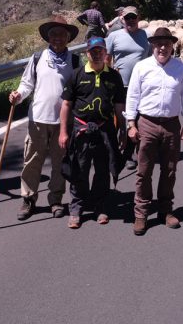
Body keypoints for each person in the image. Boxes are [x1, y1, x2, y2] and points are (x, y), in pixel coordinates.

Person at [9, 15, 81, 221]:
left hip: (62, 122)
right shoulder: (38, 58)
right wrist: (18, 95)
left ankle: (56, 200)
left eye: (62, 34)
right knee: (32, 161)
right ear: (48, 37)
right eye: (54, 34)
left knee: (59, 162)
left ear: (68, 37)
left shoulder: (75, 61)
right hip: (38, 119)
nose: (57, 38)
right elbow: (26, 84)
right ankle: (28, 199)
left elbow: (78, 90)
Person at [125, 27, 183, 235]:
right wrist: (131, 123)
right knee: (144, 171)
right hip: (147, 123)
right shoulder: (142, 67)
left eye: (166, 43)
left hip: (172, 124)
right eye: (158, 44)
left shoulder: (179, 67)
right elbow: (133, 96)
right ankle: (141, 213)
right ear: (152, 45)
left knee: (169, 170)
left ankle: (165, 210)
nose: (162, 47)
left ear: (172, 45)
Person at [58, 36, 126, 229]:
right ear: (87, 53)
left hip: (105, 129)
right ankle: (76, 209)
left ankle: (100, 205)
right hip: (81, 130)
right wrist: (63, 132)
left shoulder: (114, 76)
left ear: (105, 53)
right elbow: (66, 104)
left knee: (103, 169)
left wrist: (122, 129)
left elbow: (119, 106)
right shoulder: (76, 74)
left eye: (100, 51)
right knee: (79, 169)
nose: (97, 55)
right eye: (93, 52)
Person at [105, 6, 151, 170]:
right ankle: (113, 151)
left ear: (138, 18)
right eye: (127, 18)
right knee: (117, 120)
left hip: (140, 86)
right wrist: (106, 81)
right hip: (119, 86)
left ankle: (129, 154)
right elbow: (107, 59)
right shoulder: (114, 36)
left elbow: (151, 59)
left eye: (133, 17)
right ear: (122, 19)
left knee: (136, 120)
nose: (130, 20)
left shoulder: (145, 35)